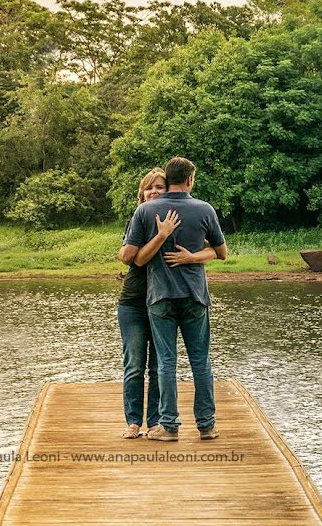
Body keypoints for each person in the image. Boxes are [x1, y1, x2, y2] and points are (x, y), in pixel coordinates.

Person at [121, 157, 228, 441]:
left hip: (160, 297)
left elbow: (132, 258)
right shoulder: (204, 209)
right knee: (201, 361)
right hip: (195, 297)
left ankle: (168, 426)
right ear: (190, 180)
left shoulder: (145, 210)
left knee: (166, 362)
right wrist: (194, 257)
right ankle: (206, 426)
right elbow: (222, 252)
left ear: (168, 180)